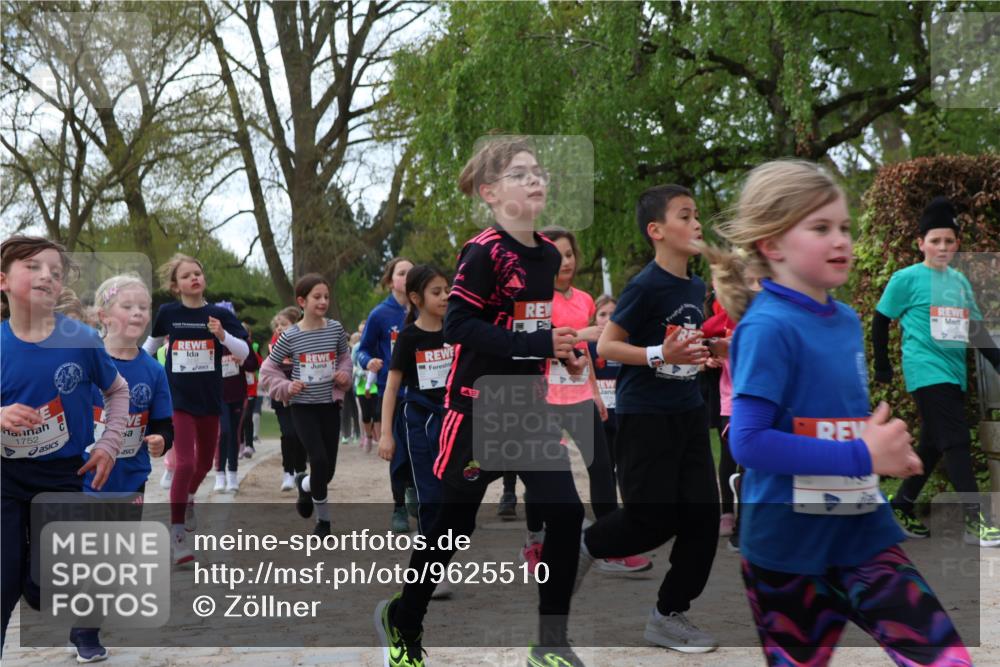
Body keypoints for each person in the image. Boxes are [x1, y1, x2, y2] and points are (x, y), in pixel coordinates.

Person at [709, 159, 972, 666]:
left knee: (947, 659)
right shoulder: (766, 327)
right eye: (821, 228)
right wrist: (861, 454)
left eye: (845, 227)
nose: (841, 240)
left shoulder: (847, 320)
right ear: (772, 244)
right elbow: (748, 441)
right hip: (787, 552)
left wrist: (883, 450)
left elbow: (838, 422)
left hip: (863, 536)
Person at [374, 136, 589, 667]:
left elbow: (526, 328)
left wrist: (560, 353)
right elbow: (458, 326)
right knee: (452, 530)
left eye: (538, 171)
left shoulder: (545, 255)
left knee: (566, 515)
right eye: (520, 173)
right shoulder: (483, 252)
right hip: (476, 410)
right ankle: (404, 621)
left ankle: (552, 643)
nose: (535, 179)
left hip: (528, 409)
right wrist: (538, 342)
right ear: (490, 193)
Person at [584, 185, 724, 653]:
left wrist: (708, 349)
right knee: (650, 520)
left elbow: (680, 346)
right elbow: (607, 345)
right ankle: (578, 547)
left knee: (704, 518)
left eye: (697, 214)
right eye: (685, 215)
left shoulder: (695, 286)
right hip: (645, 416)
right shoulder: (644, 285)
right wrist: (658, 354)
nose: (697, 223)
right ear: (656, 230)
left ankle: (668, 615)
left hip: (688, 412)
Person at [1, 236, 128, 654]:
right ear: (3, 281)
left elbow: (117, 390)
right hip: (4, 476)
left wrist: (109, 444)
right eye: (33, 267)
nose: (47, 277)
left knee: (43, 589)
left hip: (61, 475)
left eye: (55, 272)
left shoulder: (81, 340)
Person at [520, 226, 651, 575]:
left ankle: (610, 545)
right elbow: (530, 345)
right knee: (542, 472)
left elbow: (585, 353)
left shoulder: (584, 300)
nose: (565, 262)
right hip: (542, 397)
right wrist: (580, 334)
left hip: (578, 395)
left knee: (601, 467)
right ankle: (534, 540)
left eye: (569, 254)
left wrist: (594, 392)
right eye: (556, 255)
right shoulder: (533, 300)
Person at [874, 196, 1000, 547]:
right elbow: (881, 320)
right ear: (921, 243)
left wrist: (997, 360)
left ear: (957, 244)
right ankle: (976, 521)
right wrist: (883, 365)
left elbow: (974, 328)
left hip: (953, 373)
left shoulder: (959, 281)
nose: (942, 247)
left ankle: (901, 505)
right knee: (957, 440)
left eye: (949, 240)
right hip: (926, 371)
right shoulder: (907, 278)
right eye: (935, 240)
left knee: (932, 446)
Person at [76, 273, 174, 660]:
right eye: (127, 306)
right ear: (103, 315)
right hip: (82, 477)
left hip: (130, 478)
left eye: (143, 307)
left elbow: (164, 423)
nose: (137, 313)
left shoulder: (153, 371)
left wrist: (161, 440)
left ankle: (85, 624)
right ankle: (87, 632)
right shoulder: (83, 363)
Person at [142, 254, 250, 565]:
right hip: (177, 400)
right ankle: (177, 534)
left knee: (203, 464)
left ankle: (189, 498)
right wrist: (131, 370)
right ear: (176, 286)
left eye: (198, 273)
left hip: (209, 400)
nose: (194, 278)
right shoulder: (168, 313)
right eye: (187, 275)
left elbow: (243, 353)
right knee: (186, 463)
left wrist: (222, 335)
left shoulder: (219, 314)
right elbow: (150, 347)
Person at [259, 274, 351, 537]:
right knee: (318, 460)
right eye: (317, 297)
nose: (323, 302)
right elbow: (268, 370)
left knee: (327, 471)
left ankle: (305, 484)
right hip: (302, 408)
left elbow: (345, 359)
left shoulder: (335, 329)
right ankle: (324, 522)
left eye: (326, 297)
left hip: (329, 406)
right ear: (302, 301)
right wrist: (286, 387)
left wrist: (344, 374)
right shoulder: (290, 336)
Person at [378, 265, 450, 537]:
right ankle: (428, 541)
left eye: (447, 290)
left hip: (451, 418)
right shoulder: (408, 337)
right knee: (427, 487)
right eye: (436, 292)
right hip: (418, 418)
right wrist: (386, 434)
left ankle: (444, 535)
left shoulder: (455, 331)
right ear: (416, 298)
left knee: (453, 486)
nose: (445, 296)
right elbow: (391, 388)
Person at [358, 257, 417, 533]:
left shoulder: (426, 309)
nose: (407, 277)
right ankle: (399, 506)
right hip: (392, 393)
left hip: (423, 392)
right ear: (390, 280)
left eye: (411, 273)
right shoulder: (380, 314)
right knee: (397, 451)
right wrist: (368, 361)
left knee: (422, 448)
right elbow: (363, 349)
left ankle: (416, 492)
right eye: (401, 273)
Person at [213, 311, 260, 494]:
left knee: (234, 433)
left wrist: (241, 361)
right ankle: (219, 474)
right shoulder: (211, 341)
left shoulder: (240, 340)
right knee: (223, 432)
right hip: (218, 396)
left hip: (238, 394)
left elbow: (254, 364)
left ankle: (232, 474)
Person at [269, 306, 307, 491]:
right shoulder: (275, 344)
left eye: (283, 324)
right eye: (277, 325)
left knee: (301, 434)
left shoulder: (305, 341)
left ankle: (301, 472)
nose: (279, 328)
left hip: (302, 395)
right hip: (280, 396)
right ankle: (288, 473)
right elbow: (269, 369)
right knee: (288, 433)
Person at [587, 296, 619, 484]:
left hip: (623, 412)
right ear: (594, 319)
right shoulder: (588, 347)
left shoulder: (626, 343)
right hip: (600, 413)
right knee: (604, 466)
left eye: (613, 314)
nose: (607, 319)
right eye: (602, 314)